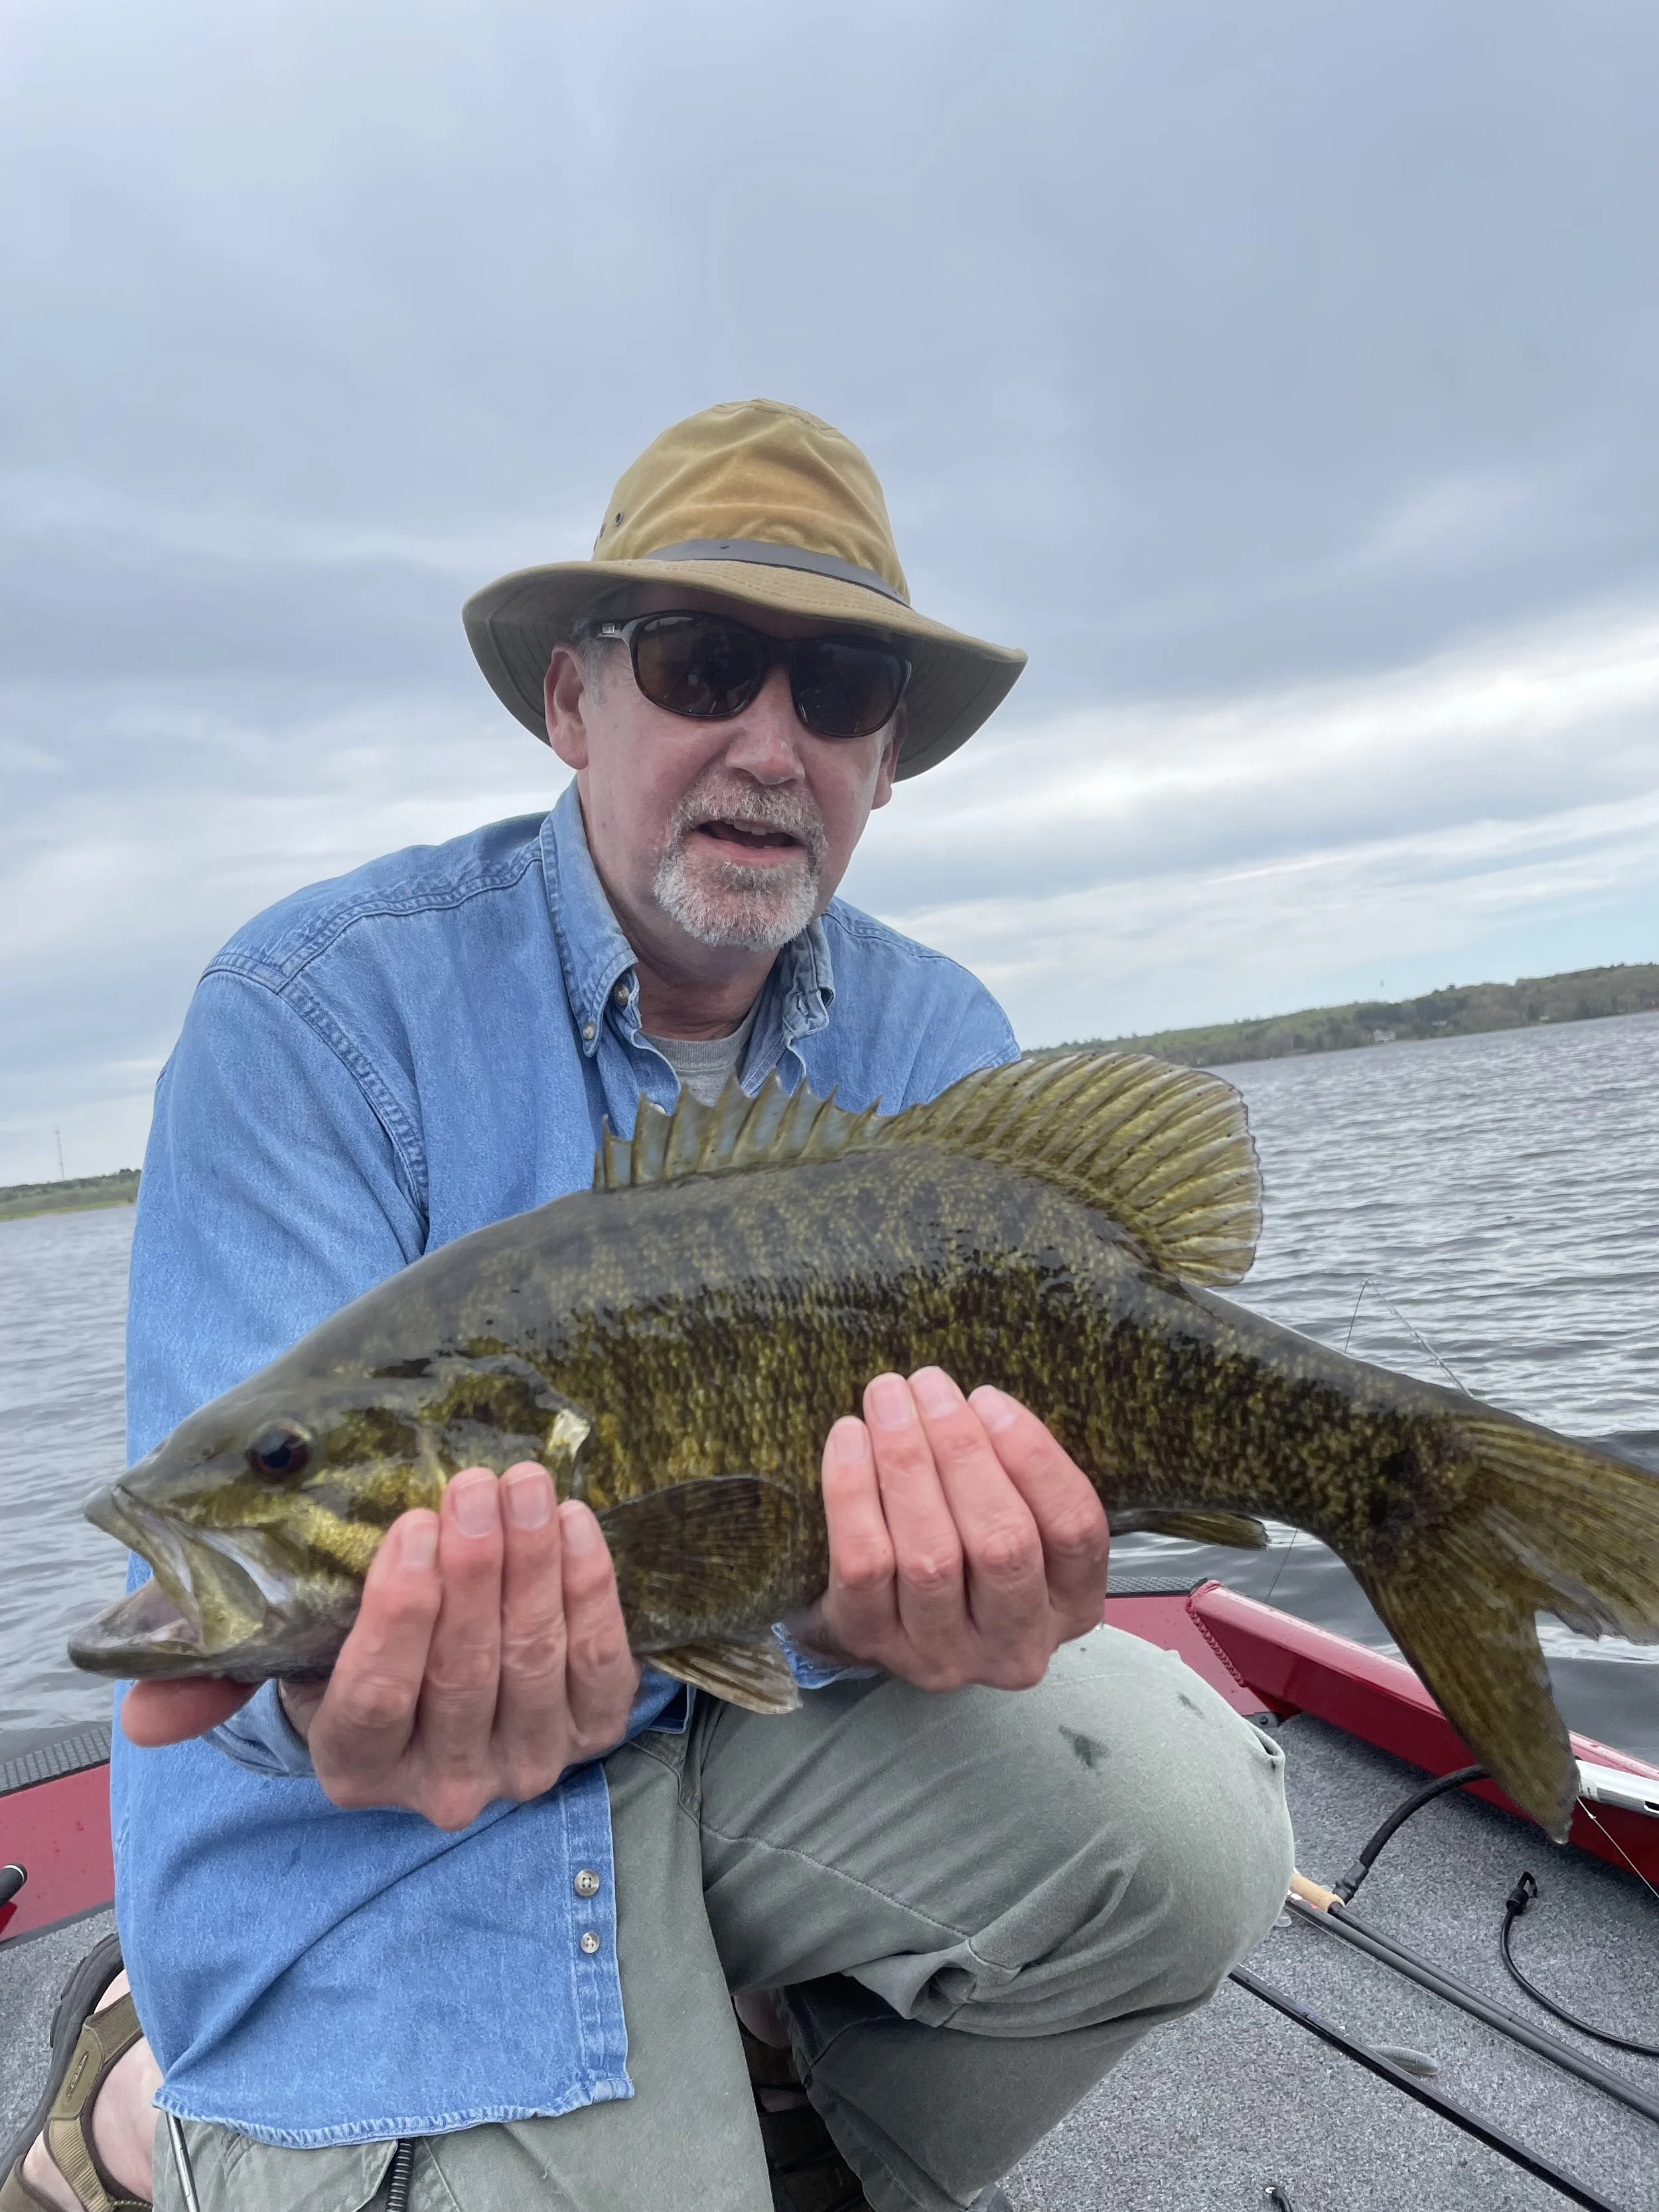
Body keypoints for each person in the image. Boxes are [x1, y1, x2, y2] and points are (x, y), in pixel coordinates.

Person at [5, 400, 1293, 2212]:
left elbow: (859, 1610)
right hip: (376, 1859)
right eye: (702, 664)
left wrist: (955, 1608)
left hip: (730, 1757)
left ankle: (767, 2086)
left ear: (886, 757)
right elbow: (240, 1702)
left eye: (838, 686)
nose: (769, 742)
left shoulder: (938, 1049)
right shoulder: (314, 1018)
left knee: (1186, 1815)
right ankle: (134, 2108)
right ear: (569, 702)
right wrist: (313, 1679)